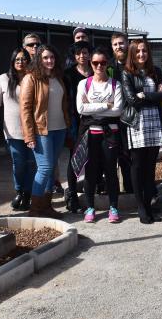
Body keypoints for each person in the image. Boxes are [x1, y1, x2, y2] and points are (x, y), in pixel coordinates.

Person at [20, 45, 70, 219]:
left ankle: (46, 207)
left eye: (52, 58)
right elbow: (25, 109)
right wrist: (29, 135)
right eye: (46, 58)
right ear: (39, 59)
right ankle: (35, 209)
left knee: (51, 168)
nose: (50, 61)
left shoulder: (57, 77)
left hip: (59, 129)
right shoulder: (30, 78)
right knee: (45, 167)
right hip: (42, 131)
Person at [122, 40, 162, 224]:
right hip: (137, 124)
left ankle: (149, 206)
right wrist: (152, 96)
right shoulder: (127, 73)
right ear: (132, 54)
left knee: (150, 168)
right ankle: (141, 207)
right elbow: (132, 100)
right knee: (137, 166)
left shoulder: (155, 71)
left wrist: (146, 96)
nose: (141, 54)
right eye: (138, 51)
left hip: (154, 122)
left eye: (144, 51)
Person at [77, 49, 124, 223]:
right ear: (91, 64)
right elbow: (81, 109)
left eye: (103, 63)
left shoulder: (115, 84)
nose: (99, 66)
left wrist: (93, 107)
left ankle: (114, 207)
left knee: (111, 171)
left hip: (110, 134)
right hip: (90, 134)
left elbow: (117, 110)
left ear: (107, 64)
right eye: (95, 63)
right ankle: (90, 208)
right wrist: (106, 105)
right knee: (90, 172)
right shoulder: (84, 84)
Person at [0, 48, 35, 210]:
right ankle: (20, 192)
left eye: (24, 59)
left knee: (32, 164)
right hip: (12, 131)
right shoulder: (3, 79)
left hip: (32, 130)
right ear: (12, 61)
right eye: (17, 59)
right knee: (19, 163)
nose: (20, 62)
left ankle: (28, 193)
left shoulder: (32, 78)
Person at [63, 41, 93, 213]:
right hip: (76, 122)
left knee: (93, 159)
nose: (82, 56)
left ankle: (92, 191)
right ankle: (72, 195)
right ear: (74, 56)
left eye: (85, 52)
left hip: (95, 120)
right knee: (75, 160)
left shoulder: (96, 71)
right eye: (78, 53)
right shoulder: (68, 74)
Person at [108, 32, 133, 194]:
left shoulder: (135, 65)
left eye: (122, 43)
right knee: (110, 159)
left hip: (131, 119)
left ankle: (131, 192)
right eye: (116, 44)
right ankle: (113, 195)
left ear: (128, 44)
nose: (119, 46)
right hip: (111, 119)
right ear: (112, 47)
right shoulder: (108, 67)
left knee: (128, 158)